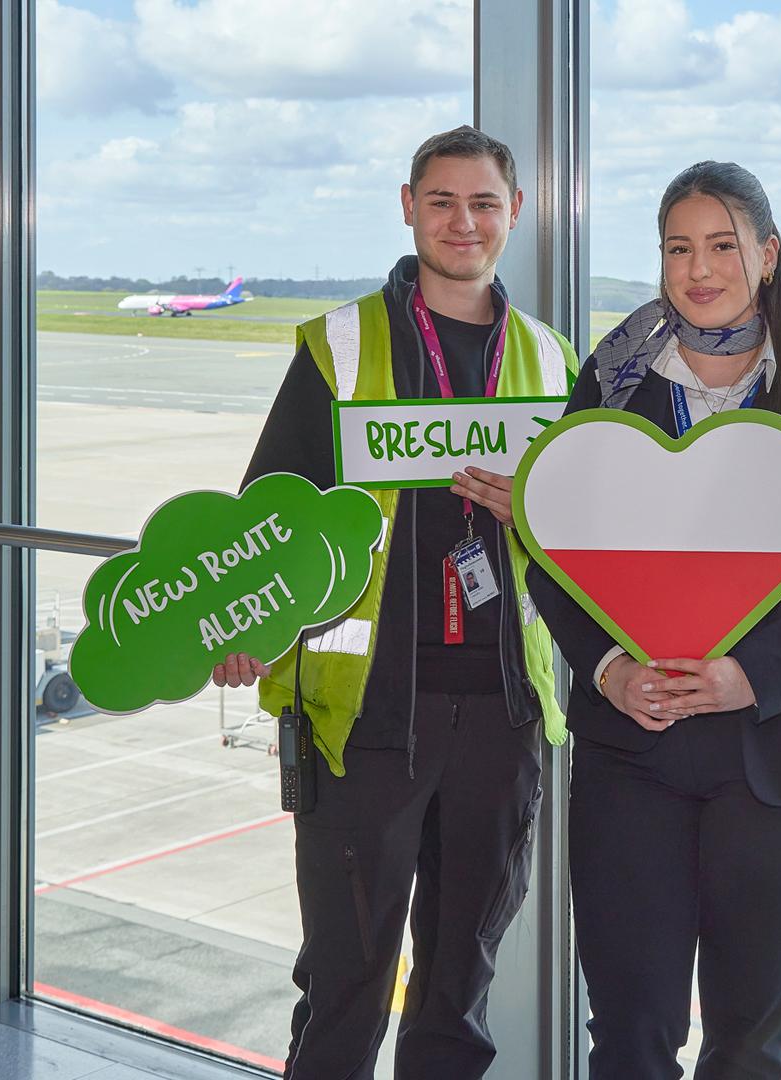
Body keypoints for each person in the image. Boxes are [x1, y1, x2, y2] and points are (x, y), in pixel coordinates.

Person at [210, 125, 577, 1079]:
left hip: (502, 717)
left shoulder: (549, 361)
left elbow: (584, 541)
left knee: (460, 988)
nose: (465, 222)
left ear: (515, 215)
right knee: (345, 982)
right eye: (444, 201)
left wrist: (533, 510)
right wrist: (245, 624)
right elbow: (268, 515)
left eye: (484, 203)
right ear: (409, 206)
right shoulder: (339, 346)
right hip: (366, 719)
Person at [525, 161, 781, 1079]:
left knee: (749, 1041)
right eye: (678, 248)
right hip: (632, 761)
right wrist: (608, 668)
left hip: (776, 766)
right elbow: (553, 562)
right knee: (628, 1036)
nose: (700, 269)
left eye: (723, 246)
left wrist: (749, 676)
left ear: (767, 256)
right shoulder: (611, 393)